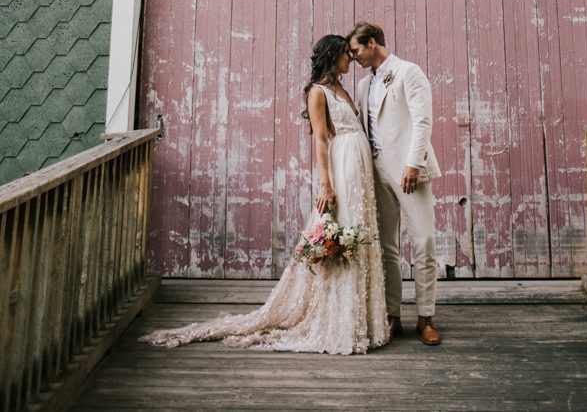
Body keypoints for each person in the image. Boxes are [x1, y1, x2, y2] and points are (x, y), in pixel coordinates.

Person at [139, 35, 389, 354]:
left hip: (360, 168)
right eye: (345, 55)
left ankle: (363, 319)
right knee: (344, 233)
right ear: (332, 55)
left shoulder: (343, 88)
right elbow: (321, 141)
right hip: (342, 168)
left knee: (360, 234)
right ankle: (340, 317)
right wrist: (326, 184)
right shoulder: (318, 92)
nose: (350, 60)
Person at [347, 21, 442, 346]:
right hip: (377, 171)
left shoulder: (408, 72)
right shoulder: (363, 85)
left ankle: (426, 317)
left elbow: (422, 120)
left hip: (408, 170)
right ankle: (392, 317)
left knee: (424, 242)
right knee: (386, 246)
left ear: (372, 43)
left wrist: (413, 163)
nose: (354, 56)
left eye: (357, 50)